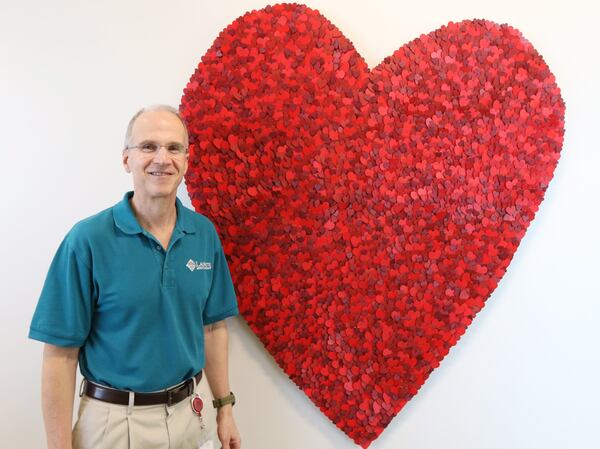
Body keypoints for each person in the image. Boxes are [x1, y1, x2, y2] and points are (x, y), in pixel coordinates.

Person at [28, 104, 242, 449]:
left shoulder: (203, 235)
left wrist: (224, 409)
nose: (162, 158)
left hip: (190, 416)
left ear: (187, 160)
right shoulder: (88, 240)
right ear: (126, 159)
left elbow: (213, 328)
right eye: (148, 147)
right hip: (112, 423)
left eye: (174, 148)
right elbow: (59, 355)